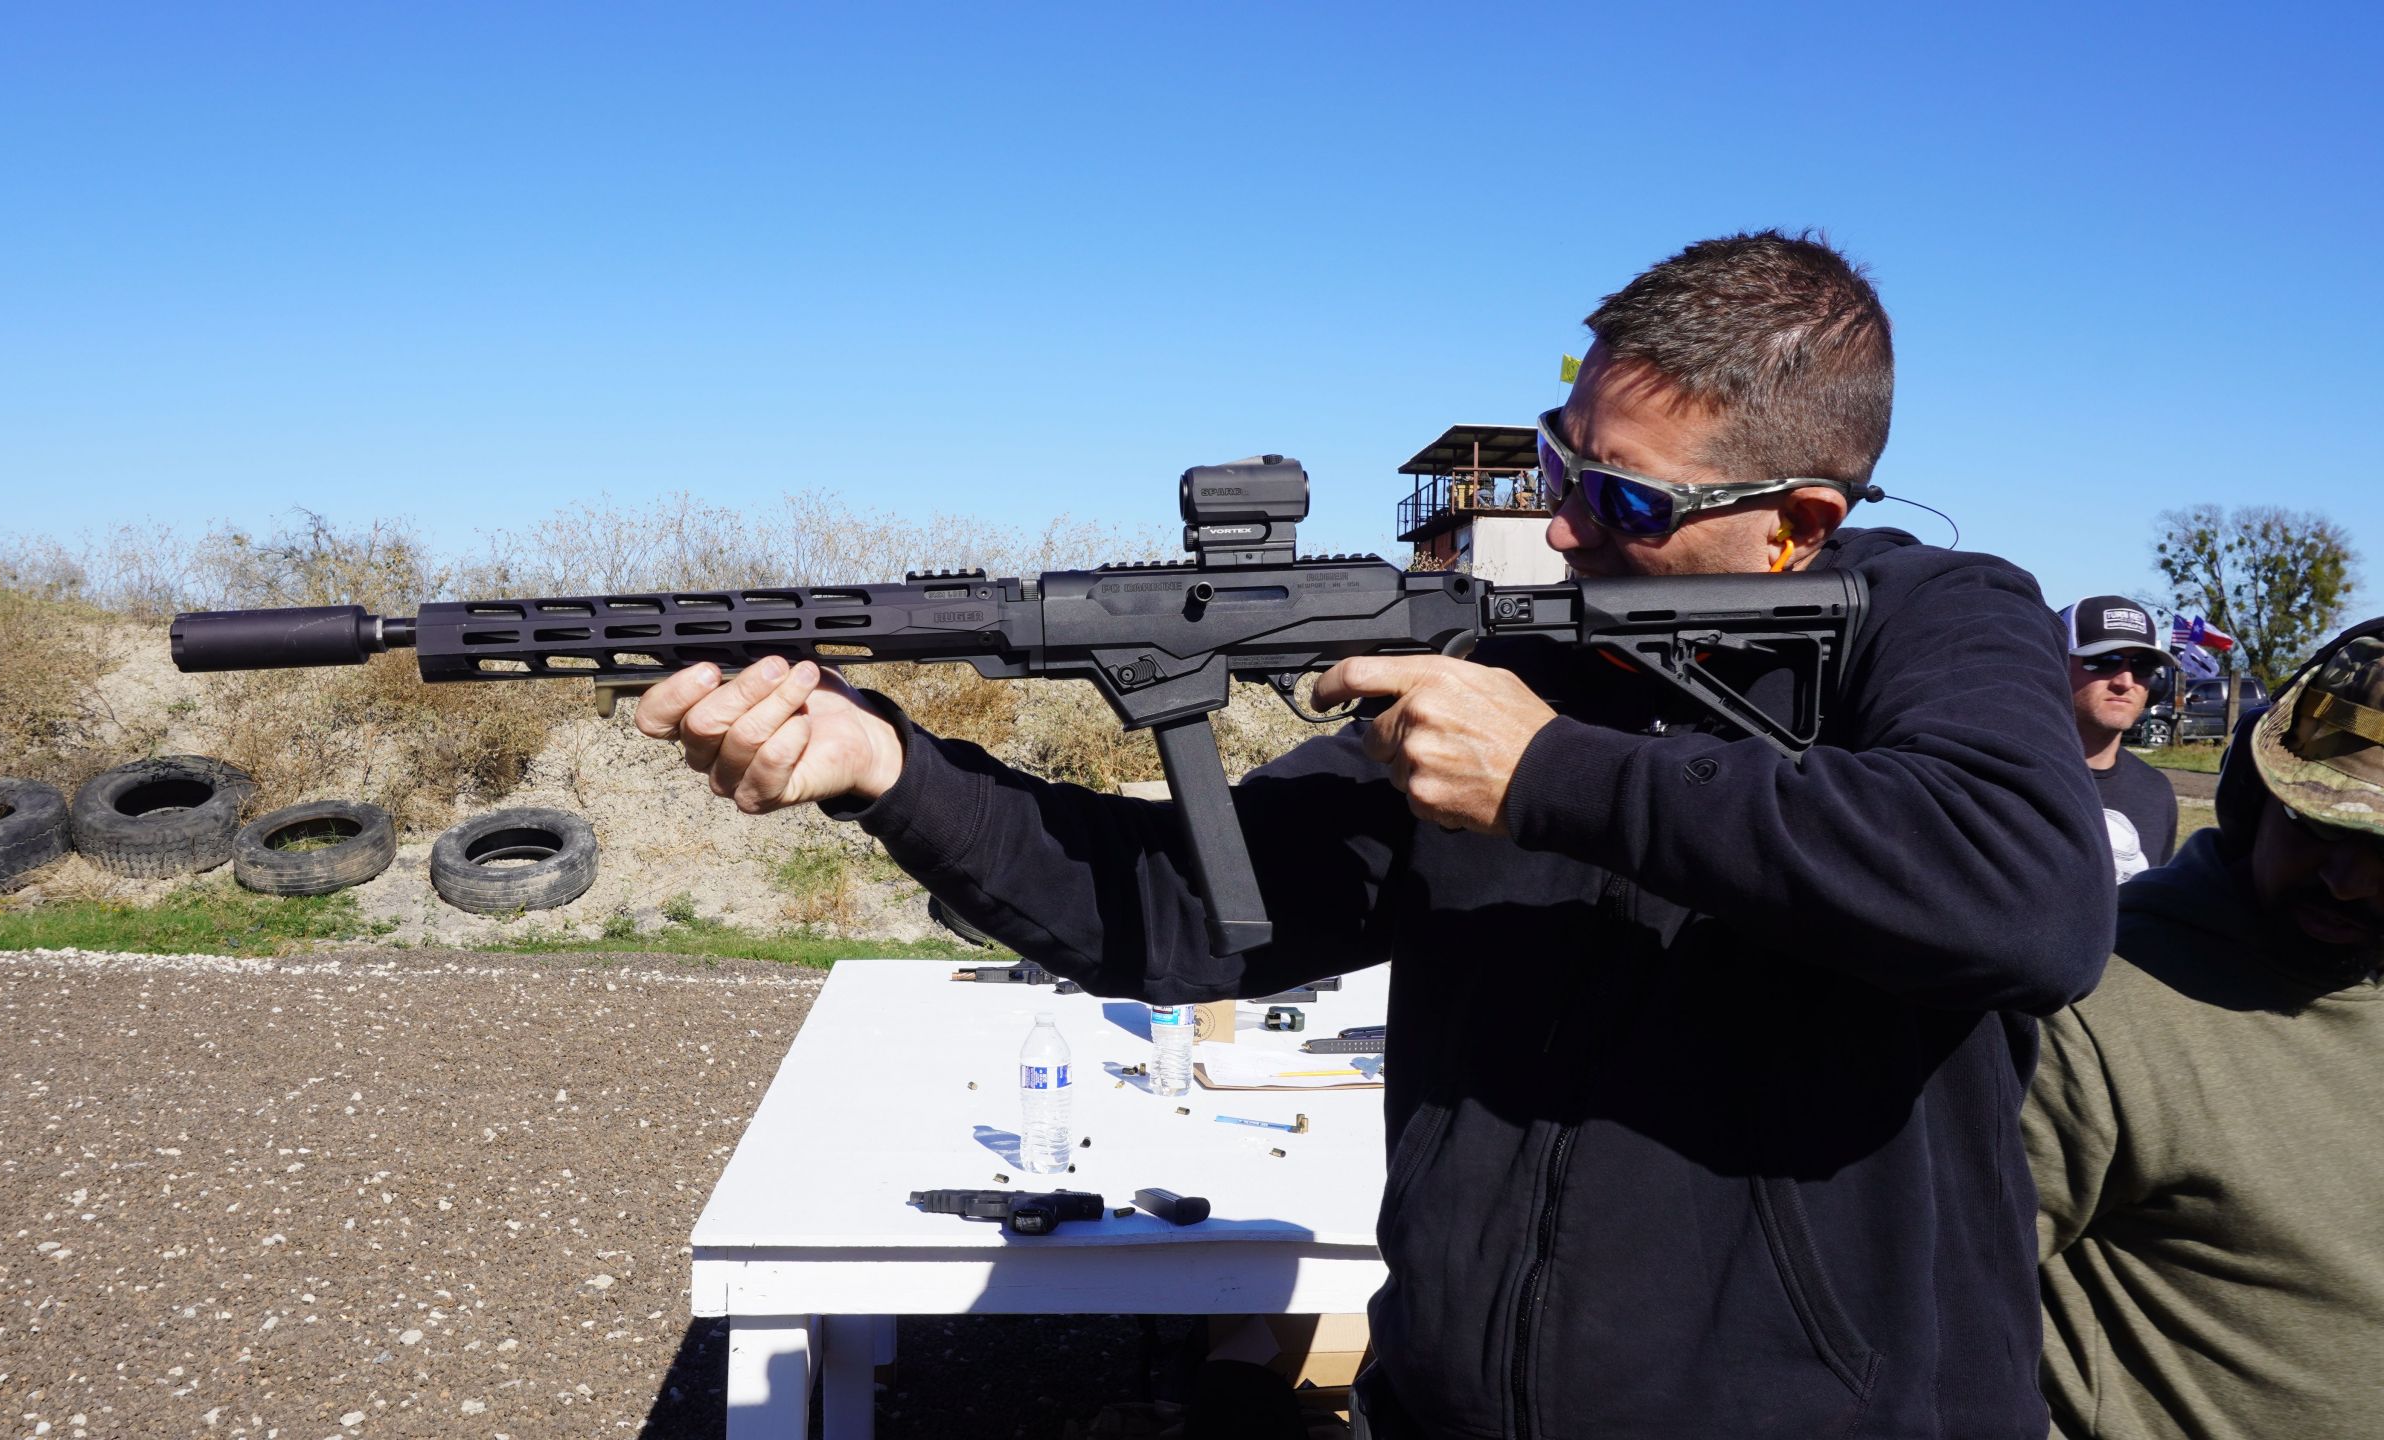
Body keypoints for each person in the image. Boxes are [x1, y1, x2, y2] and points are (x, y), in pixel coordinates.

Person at [640, 232, 2114, 1438]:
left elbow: (2025, 896)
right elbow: (1175, 913)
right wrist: (887, 766)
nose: (1564, 528)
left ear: (1795, 521)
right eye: (1557, 466)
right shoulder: (1521, 664)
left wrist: (1551, 777)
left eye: (1617, 499)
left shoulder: (1935, 618)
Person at [2021, 622, 2384, 1439]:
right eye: (2320, 824)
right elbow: (1933, 1305)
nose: (2349, 880)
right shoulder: (2092, 1001)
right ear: (2254, 803)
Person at [2059, 594, 2180, 879]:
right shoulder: (2010, 778)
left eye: (2142, 665)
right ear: (2056, 665)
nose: (2125, 681)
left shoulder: (2156, 793)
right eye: (2104, 660)